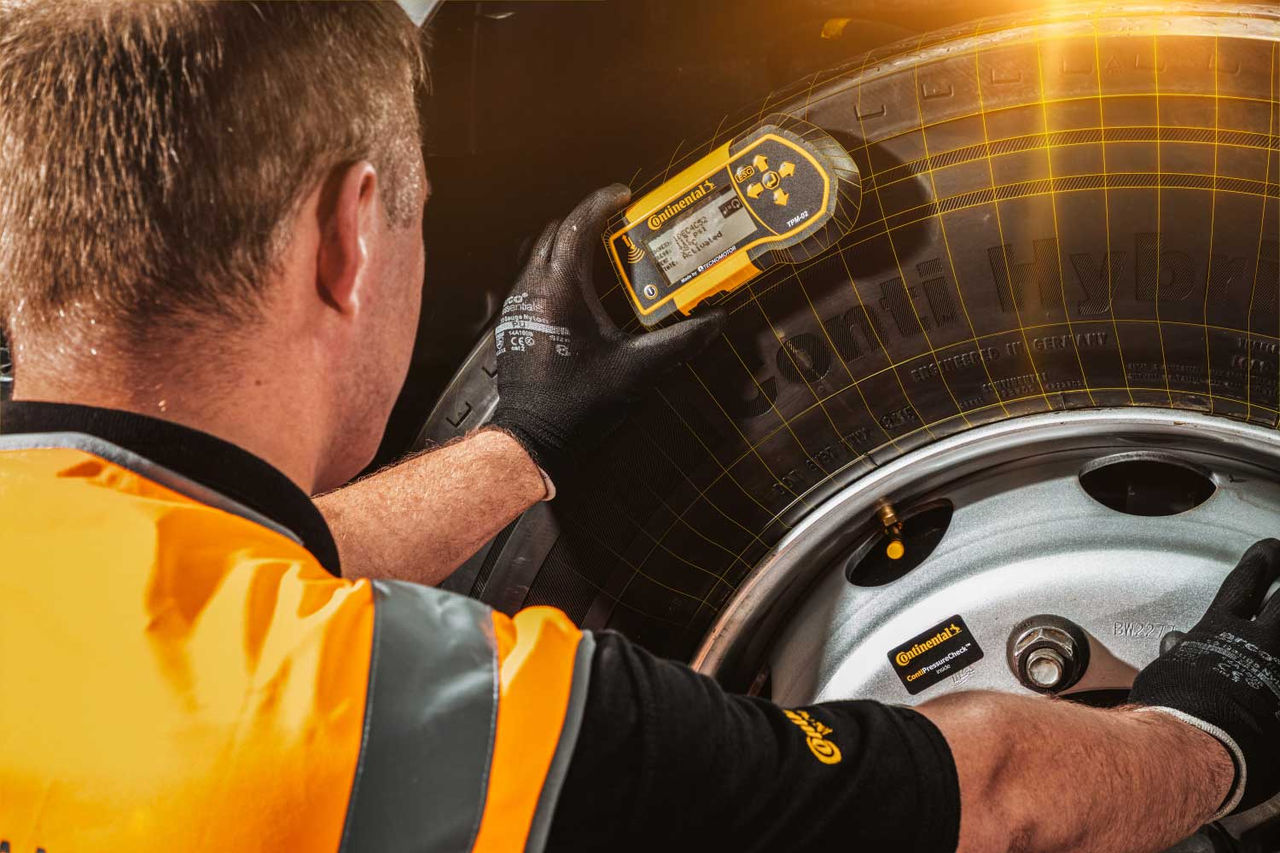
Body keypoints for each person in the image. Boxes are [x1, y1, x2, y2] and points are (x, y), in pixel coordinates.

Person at [0, 3, 1277, 852]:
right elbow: (987, 797)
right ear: (348, 237)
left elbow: (201, 586)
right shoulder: (393, 718)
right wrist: (1209, 727)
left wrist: (520, 447)